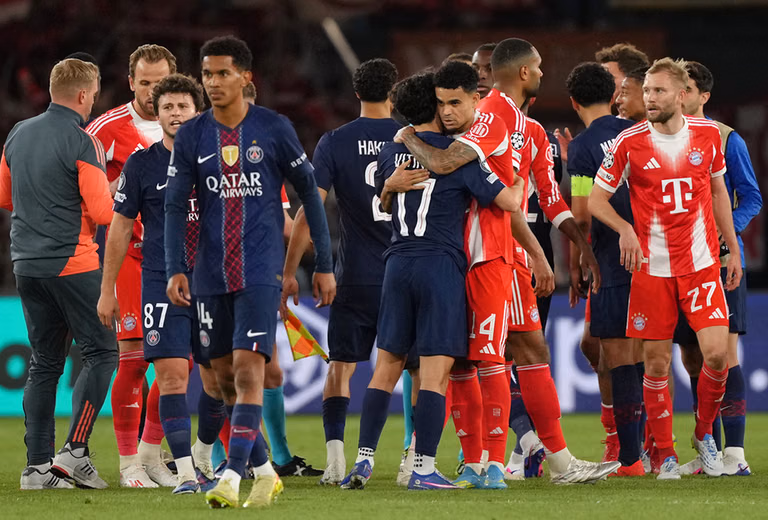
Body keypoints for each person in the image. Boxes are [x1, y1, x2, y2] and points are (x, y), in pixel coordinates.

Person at [397, 42, 614, 484]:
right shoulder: (493, 114)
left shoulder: (529, 130)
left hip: (509, 249)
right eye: (536, 67)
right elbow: (453, 168)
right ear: (522, 73)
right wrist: (407, 136)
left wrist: (576, 247)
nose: (541, 73)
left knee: (525, 350)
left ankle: (550, 461)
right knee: (480, 359)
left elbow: (546, 198)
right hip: (480, 251)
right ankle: (485, 461)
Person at [339, 70, 545, 491]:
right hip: (440, 267)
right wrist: (520, 178)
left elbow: (383, 192)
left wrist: (386, 189)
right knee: (434, 377)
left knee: (385, 370)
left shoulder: (388, 151)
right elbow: (507, 200)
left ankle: (361, 462)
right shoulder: (460, 157)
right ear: (434, 106)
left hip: (395, 263)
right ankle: (423, 469)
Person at [164, 35, 334, 509]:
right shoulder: (194, 134)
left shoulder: (274, 129)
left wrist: (324, 263)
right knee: (217, 382)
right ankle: (264, 470)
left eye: (222, 73)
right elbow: (177, 205)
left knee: (247, 371)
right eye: (208, 74)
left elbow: (311, 198)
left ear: (246, 77)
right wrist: (176, 267)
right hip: (208, 275)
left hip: (259, 273)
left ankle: (231, 477)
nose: (213, 82)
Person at [589, 57, 742, 480]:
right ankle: (667, 455)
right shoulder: (629, 142)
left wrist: (734, 249)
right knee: (655, 365)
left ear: (680, 95)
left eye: (658, 91)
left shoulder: (710, 135)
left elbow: (717, 193)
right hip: (652, 269)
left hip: (702, 265)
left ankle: (704, 435)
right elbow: (596, 201)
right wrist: (625, 230)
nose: (649, 98)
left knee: (716, 357)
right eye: (647, 91)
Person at [96, 74, 228, 492]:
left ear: (197, 111)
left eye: (182, 106)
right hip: (159, 282)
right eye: (167, 107)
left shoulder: (218, 160)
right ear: (158, 112)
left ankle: (202, 455)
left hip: (211, 283)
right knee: (171, 376)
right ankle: (186, 475)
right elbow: (118, 229)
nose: (175, 113)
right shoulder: (141, 163)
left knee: (216, 380)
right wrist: (107, 289)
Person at [282, 58, 402, 485]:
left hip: (357, 276)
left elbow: (308, 210)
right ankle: (413, 461)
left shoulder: (334, 141)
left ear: (356, 93)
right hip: (406, 275)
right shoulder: (413, 138)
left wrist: (295, 270)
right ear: (394, 92)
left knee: (341, 368)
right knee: (422, 370)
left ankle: (334, 461)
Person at [0, 58, 116, 490]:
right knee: (103, 352)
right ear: (85, 95)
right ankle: (76, 452)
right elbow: (104, 212)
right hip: (73, 262)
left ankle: (36, 469)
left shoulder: (18, 133)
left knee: (44, 363)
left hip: (26, 263)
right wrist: (108, 193)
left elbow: (5, 196)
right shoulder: (83, 141)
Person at [86, 44, 178, 487]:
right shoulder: (105, 130)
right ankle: (128, 465)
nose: (152, 90)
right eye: (144, 82)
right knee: (135, 359)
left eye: (160, 81)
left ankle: (151, 453)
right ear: (131, 82)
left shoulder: (193, 130)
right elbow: (84, 195)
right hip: (130, 259)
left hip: (179, 262)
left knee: (179, 362)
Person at [675, 61, 761, 477]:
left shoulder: (727, 138)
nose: (679, 95)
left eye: (686, 88)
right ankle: (709, 447)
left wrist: (726, 236)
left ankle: (736, 452)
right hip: (677, 263)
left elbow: (751, 197)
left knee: (724, 353)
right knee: (693, 357)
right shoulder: (662, 138)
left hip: (720, 258)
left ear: (702, 96)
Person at [565, 62, 644, 476]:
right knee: (651, 352)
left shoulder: (581, 148)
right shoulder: (639, 131)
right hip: (658, 255)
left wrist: (580, 262)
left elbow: (580, 215)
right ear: (613, 96)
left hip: (613, 259)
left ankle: (629, 459)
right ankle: (657, 449)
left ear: (573, 101)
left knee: (617, 355)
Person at [242, 79, 321, 479]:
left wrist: (295, 258)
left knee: (268, 371)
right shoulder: (204, 149)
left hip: (260, 275)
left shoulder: (266, 159)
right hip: (216, 278)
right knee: (219, 373)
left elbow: (287, 222)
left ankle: (280, 458)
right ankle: (218, 455)